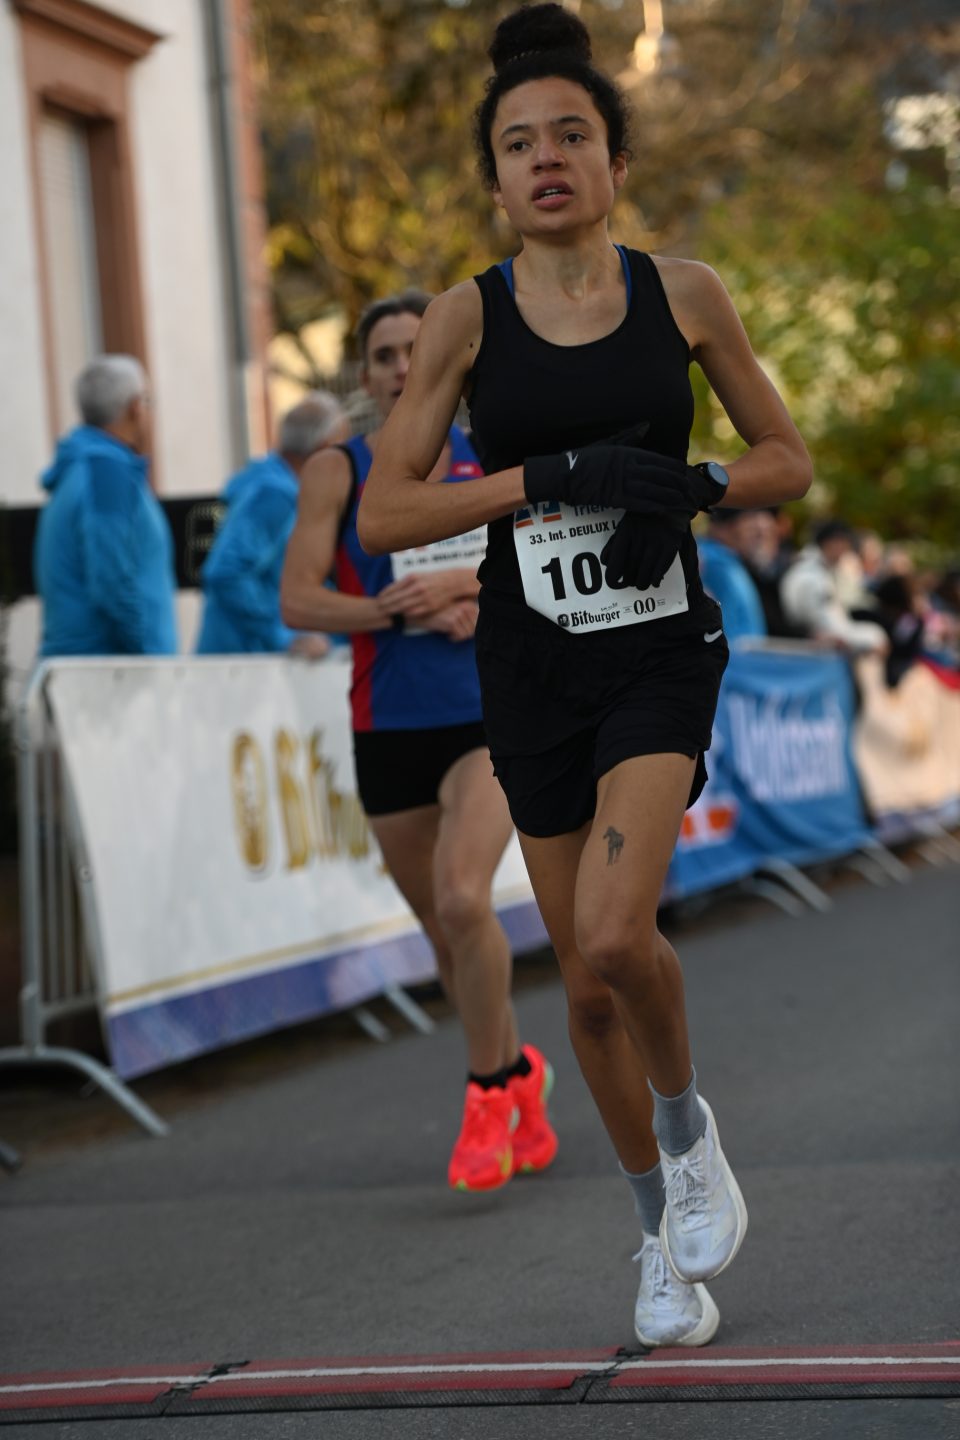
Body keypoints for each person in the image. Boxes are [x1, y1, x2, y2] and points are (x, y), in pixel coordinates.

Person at [357, 4, 812, 1347]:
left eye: (572, 135)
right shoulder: (465, 316)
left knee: (617, 933)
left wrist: (688, 485)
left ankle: (689, 1128)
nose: (547, 158)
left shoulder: (685, 292)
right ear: (496, 182)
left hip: (658, 647)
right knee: (586, 978)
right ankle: (656, 1236)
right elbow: (386, 511)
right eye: (519, 144)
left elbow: (785, 459)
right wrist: (544, 479)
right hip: (532, 664)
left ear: (615, 162)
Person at [280, 290, 558, 1194]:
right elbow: (297, 598)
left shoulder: (493, 457)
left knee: (464, 897)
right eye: (385, 355)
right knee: (446, 936)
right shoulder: (339, 469)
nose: (404, 367)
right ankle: (522, 1076)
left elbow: (548, 561)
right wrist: (387, 609)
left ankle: (487, 1095)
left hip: (487, 713)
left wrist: (470, 590)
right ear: (365, 376)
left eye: (416, 348)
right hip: (388, 723)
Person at [34, 354, 177, 657]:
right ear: (135, 408)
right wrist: (147, 655)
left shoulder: (82, 468)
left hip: (91, 667)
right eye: (148, 402)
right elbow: (112, 581)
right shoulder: (107, 473)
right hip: (111, 671)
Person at [196, 391, 347, 655]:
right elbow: (226, 574)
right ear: (325, 448)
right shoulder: (274, 495)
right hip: (246, 667)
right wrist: (284, 636)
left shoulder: (279, 487)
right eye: (344, 448)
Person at [780, 519, 888, 656]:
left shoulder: (819, 570)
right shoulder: (811, 575)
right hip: (811, 648)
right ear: (833, 543)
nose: (846, 551)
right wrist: (871, 640)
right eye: (845, 544)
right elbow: (823, 626)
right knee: (874, 642)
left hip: (819, 641)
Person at [697, 509, 767, 645]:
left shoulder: (728, 561)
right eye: (749, 528)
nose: (755, 536)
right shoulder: (710, 563)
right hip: (731, 655)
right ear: (723, 528)